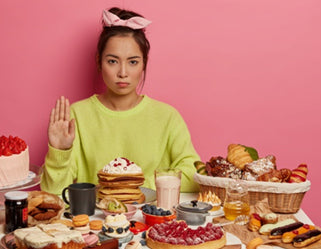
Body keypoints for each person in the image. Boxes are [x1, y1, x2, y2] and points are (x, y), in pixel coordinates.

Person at [41, 7, 201, 195]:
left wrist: (133, 188)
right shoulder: (77, 116)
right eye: (112, 61)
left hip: (152, 220)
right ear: (99, 61)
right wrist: (59, 153)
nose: (123, 73)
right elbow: (53, 193)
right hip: (95, 222)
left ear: (144, 64)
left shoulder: (167, 117)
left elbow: (194, 175)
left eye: (133, 62)